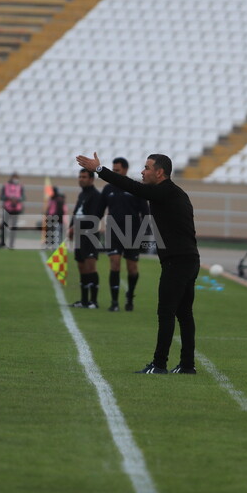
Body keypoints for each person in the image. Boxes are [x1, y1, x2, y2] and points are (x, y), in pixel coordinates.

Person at [76, 151, 199, 375]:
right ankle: (187, 365)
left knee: (166, 313)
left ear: (160, 172)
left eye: (147, 168)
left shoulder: (163, 191)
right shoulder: (176, 193)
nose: (142, 171)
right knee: (184, 314)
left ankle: (159, 364)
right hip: (189, 260)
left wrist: (99, 170)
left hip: (177, 262)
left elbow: (131, 187)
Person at [98, 157, 149, 312]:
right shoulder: (108, 189)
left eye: (117, 170)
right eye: (113, 170)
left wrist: (145, 234)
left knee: (132, 268)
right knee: (114, 263)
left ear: (125, 170)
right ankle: (114, 302)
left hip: (133, 233)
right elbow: (99, 211)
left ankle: (130, 296)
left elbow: (145, 212)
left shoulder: (135, 188)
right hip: (113, 231)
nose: (114, 173)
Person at [69, 168, 103, 308]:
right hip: (79, 236)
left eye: (84, 177)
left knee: (90, 267)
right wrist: (71, 227)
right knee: (81, 267)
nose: (81, 179)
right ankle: (83, 301)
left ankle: (93, 301)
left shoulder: (96, 195)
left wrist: (75, 227)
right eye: (80, 176)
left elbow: (93, 219)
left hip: (90, 235)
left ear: (91, 179)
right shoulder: (82, 194)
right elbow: (76, 212)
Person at [0, 173, 25, 249]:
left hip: (16, 209)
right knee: (4, 227)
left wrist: (17, 199)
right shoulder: (6, 185)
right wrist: (9, 198)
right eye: (14, 178)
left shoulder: (20, 186)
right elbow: (1, 196)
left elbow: (23, 197)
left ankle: (11, 244)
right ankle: (2, 242)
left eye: (16, 178)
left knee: (14, 227)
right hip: (7, 208)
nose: (15, 179)